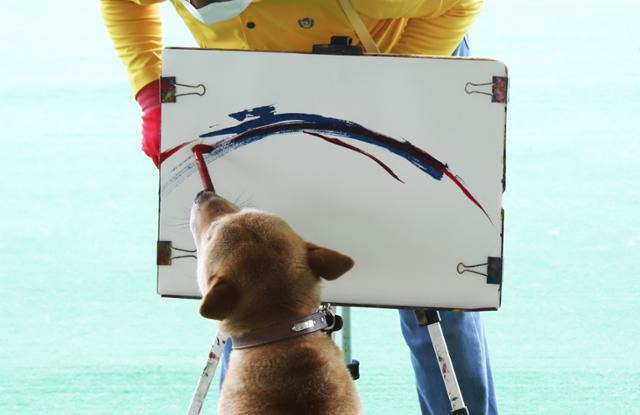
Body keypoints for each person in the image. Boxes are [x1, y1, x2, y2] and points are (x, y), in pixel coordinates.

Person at [101, 1, 498, 413]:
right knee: (256, 275)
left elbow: (460, 3)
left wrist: (391, 79)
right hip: (257, 76)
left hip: (401, 50)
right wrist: (150, 92)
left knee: (431, 284)